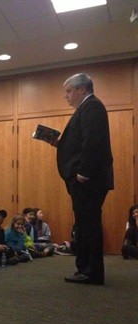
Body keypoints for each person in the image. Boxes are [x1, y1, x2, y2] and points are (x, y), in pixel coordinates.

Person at [56, 73, 113, 285]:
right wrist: (60, 143)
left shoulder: (92, 107)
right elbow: (81, 142)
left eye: (69, 91)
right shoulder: (86, 109)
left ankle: (91, 272)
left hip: (88, 179)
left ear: (82, 89)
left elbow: (93, 142)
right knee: (84, 224)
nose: (66, 96)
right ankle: (86, 269)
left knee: (88, 225)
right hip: (86, 178)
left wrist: (83, 172)